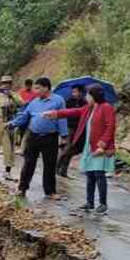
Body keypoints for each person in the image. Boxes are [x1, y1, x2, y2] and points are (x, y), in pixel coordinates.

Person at [43, 84, 117, 214]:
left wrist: (102, 145)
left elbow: (110, 127)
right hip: (89, 145)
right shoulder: (89, 108)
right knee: (90, 174)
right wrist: (55, 114)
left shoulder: (106, 108)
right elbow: (73, 111)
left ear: (94, 95)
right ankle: (89, 202)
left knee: (99, 174)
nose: (86, 97)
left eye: (88, 94)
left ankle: (103, 204)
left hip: (99, 147)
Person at [7, 77, 68, 199]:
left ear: (46, 88)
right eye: (35, 88)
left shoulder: (58, 101)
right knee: (28, 163)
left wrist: (64, 135)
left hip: (50, 137)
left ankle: (50, 192)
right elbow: (25, 117)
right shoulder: (34, 102)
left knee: (49, 165)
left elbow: (62, 118)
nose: (35, 91)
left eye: (38, 88)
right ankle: (22, 189)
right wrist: (12, 123)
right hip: (33, 136)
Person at [56, 84, 88, 177]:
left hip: (80, 129)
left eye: (75, 92)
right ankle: (56, 167)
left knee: (74, 149)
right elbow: (65, 114)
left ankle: (64, 170)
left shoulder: (85, 103)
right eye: (73, 92)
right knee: (67, 148)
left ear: (81, 93)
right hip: (69, 127)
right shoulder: (68, 102)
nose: (73, 93)